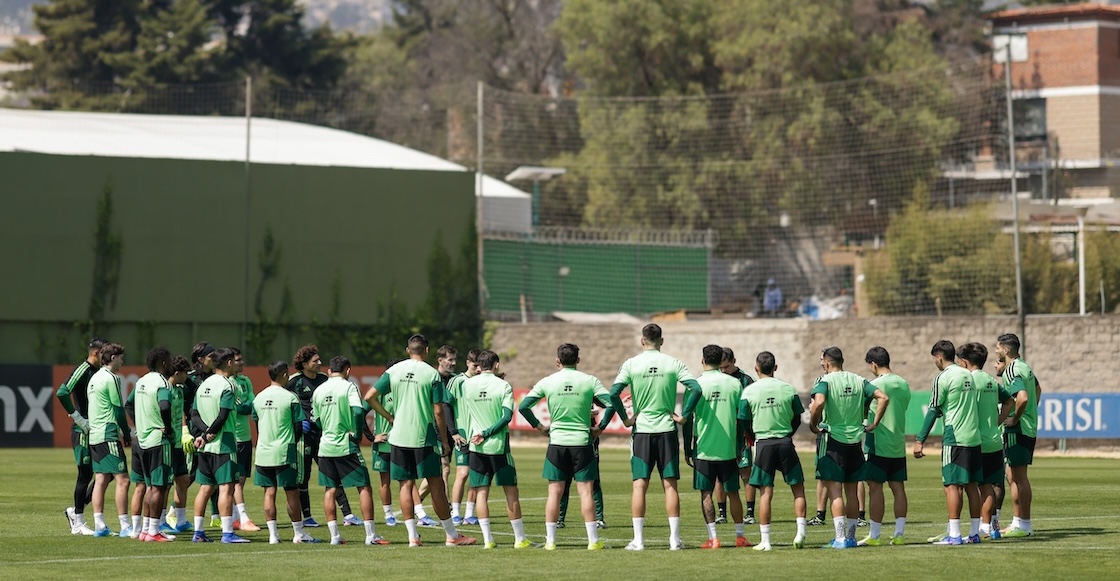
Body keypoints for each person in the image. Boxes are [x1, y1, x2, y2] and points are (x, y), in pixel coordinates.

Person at [363, 334, 475, 547]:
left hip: (398, 438)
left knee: (406, 485)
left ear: (408, 350)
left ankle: (413, 537)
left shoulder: (393, 371)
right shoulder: (431, 374)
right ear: (427, 350)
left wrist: (388, 417)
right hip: (423, 438)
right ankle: (452, 535)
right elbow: (438, 411)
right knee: (436, 484)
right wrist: (443, 440)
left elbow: (369, 397)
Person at [609, 323, 703, 551]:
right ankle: (674, 540)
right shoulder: (673, 363)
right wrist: (685, 416)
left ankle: (638, 541)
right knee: (670, 486)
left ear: (642, 341)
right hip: (667, 431)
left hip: (642, 431)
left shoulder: (631, 364)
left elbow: (613, 393)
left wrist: (625, 418)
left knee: (639, 486)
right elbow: (696, 388)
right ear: (662, 340)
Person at [519, 343, 614, 550]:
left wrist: (539, 427)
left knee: (554, 492)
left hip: (557, 443)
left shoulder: (548, 381)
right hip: (582, 442)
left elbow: (523, 406)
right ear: (578, 360)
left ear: (557, 361)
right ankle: (593, 541)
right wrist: (601, 428)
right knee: (586, 492)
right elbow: (611, 403)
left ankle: (550, 542)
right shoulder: (590, 381)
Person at [809, 346, 889, 549]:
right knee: (852, 492)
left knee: (835, 492)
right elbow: (883, 397)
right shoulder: (858, 379)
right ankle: (851, 537)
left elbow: (818, 403)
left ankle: (841, 538)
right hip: (855, 442)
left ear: (827, 362)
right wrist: (874, 423)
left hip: (833, 441)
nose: (821, 364)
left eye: (821, 361)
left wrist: (813, 424)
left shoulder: (824, 381)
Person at [457, 350, 531, 549]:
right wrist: (488, 432)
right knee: (511, 492)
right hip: (498, 447)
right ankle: (519, 539)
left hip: (476, 446)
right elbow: (507, 417)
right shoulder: (504, 385)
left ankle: (488, 540)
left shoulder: (467, 385)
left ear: (479, 366)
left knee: (481, 492)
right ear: (496, 365)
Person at [680, 344, 750, 549]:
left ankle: (714, 538)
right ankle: (740, 536)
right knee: (734, 492)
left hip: (703, 449)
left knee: (706, 494)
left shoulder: (695, 385)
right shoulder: (735, 384)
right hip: (728, 448)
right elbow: (741, 418)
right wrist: (740, 446)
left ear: (702, 360)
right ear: (721, 361)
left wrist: (687, 449)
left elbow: (687, 420)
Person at [313, 356, 388, 546]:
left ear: (330, 370)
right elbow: (357, 411)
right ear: (347, 370)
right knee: (363, 487)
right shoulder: (349, 387)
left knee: (330, 489)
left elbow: (317, 420)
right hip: (345, 445)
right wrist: (355, 433)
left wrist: (328, 430)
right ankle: (370, 535)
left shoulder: (319, 390)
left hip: (325, 446)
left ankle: (334, 536)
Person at [914, 340, 982, 546]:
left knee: (952, 486)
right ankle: (974, 533)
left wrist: (920, 440)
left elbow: (933, 410)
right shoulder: (967, 374)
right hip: (974, 437)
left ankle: (954, 535)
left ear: (938, 357)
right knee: (972, 486)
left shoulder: (942, 378)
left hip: (955, 438)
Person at [739, 351, 807, 551]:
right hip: (785, 442)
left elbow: (744, 421)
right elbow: (797, 417)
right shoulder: (788, 388)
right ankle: (801, 533)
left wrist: (752, 436)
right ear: (775, 368)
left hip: (763, 444)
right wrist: (788, 433)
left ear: (756, 368)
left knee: (766, 492)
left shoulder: (749, 391)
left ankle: (766, 541)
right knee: (798, 488)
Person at [253, 360, 319, 544]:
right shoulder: (290, 397)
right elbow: (299, 426)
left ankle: (273, 535)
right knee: (292, 492)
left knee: (269, 493)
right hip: (284, 450)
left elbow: (257, 423)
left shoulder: (258, 397)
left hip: (263, 452)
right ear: (283, 375)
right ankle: (299, 534)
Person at [189, 347, 248, 544]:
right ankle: (228, 533)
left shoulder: (204, 384)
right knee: (226, 488)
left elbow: (194, 415)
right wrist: (209, 435)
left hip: (206, 447)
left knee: (205, 488)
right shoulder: (228, 386)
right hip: (224, 444)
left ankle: (198, 532)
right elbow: (223, 416)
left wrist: (204, 435)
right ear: (229, 362)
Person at [958, 342, 1012, 540]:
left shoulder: (968, 381)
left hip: (976, 441)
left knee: (969, 486)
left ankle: (967, 528)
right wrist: (997, 421)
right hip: (994, 441)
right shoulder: (990, 380)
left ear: (964, 362)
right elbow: (1009, 401)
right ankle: (989, 526)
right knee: (988, 485)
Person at [859, 346, 911, 546]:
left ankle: (874, 535)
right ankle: (899, 534)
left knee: (875, 488)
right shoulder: (903, 383)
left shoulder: (875, 385)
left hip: (878, 442)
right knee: (898, 488)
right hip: (897, 442)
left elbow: (864, 409)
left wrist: (872, 423)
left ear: (873, 364)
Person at [59, 336, 107, 535]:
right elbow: (62, 392)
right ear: (95, 353)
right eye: (104, 353)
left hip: (95, 428)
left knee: (107, 473)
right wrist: (78, 418)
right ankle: (78, 521)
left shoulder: (99, 373)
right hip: (82, 430)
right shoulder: (83, 369)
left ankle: (76, 511)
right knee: (85, 474)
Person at [995, 333, 1040, 538]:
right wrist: (1030, 412)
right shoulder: (1025, 366)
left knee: (1018, 478)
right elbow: (1038, 389)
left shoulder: (1013, 369)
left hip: (1018, 429)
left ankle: (1024, 525)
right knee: (1013, 476)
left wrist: (1015, 418)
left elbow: (1022, 397)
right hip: (1027, 426)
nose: (996, 352)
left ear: (1005, 350)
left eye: (997, 348)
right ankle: (1018, 522)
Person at [412, 345, 460, 527]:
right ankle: (447, 513)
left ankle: (415, 504)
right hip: (435, 430)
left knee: (437, 473)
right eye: (450, 359)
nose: (453, 363)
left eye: (455, 359)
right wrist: (448, 434)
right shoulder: (432, 377)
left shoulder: (455, 380)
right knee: (443, 470)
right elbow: (439, 409)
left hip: (449, 431)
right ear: (440, 360)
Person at [131, 347, 176, 542]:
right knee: (159, 487)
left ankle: (146, 530)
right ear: (164, 362)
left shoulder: (141, 381)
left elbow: (128, 403)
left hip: (142, 440)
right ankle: (154, 531)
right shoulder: (162, 382)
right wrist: (168, 427)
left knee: (150, 487)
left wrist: (140, 423)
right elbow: (164, 405)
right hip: (159, 439)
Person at [87, 342, 132, 538]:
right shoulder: (111, 378)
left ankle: (100, 525)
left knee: (101, 479)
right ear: (113, 358)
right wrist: (127, 432)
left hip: (95, 435)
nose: (122, 361)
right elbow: (118, 409)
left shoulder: (94, 378)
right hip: (108, 433)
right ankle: (125, 526)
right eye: (121, 357)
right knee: (123, 480)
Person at [719, 347, 756, 525]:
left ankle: (749, 512)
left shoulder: (745, 380)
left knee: (745, 472)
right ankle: (721, 513)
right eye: (721, 368)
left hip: (741, 434)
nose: (723, 371)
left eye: (726, 367)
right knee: (720, 474)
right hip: (721, 434)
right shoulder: (717, 380)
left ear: (734, 361)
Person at [444, 348, 480, 526]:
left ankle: (470, 513)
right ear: (467, 363)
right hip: (463, 434)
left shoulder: (483, 382)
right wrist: (453, 431)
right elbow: (446, 405)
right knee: (462, 473)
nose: (478, 369)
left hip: (479, 435)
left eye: (480, 366)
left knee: (475, 475)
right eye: (475, 365)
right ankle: (456, 513)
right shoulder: (457, 381)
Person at [229, 349, 260, 531]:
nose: (241, 363)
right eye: (237, 360)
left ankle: (235, 517)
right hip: (234, 437)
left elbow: (251, 404)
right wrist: (245, 404)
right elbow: (239, 408)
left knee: (240, 480)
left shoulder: (245, 381)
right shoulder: (228, 382)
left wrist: (246, 404)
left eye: (242, 360)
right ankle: (243, 518)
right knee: (236, 481)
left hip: (246, 437)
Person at [162, 356, 194, 534]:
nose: (187, 376)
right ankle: (161, 520)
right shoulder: (164, 389)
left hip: (178, 443)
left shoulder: (180, 390)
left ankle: (181, 520)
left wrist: (184, 429)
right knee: (165, 484)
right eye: (185, 373)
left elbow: (180, 410)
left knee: (183, 479)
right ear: (177, 373)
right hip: (166, 442)